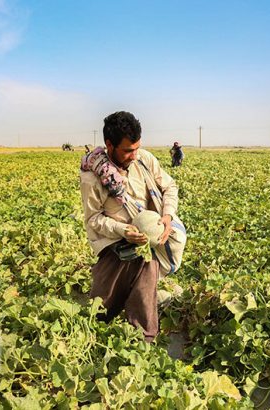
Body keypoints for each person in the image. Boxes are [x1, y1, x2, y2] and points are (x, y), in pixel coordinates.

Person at [79, 111, 179, 343]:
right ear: (109, 145)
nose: (133, 155)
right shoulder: (92, 179)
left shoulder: (144, 160)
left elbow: (169, 187)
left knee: (144, 283)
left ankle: (143, 339)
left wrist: (167, 215)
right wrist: (124, 231)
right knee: (101, 309)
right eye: (127, 150)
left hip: (146, 242)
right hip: (114, 244)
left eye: (136, 148)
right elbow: (93, 219)